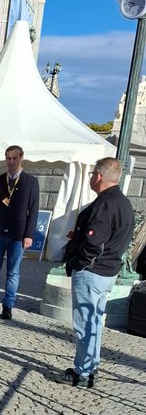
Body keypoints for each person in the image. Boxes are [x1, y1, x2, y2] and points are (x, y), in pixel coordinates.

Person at [62, 157, 135, 388]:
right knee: (94, 322)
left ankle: (82, 373)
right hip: (107, 271)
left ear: (99, 177)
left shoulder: (105, 203)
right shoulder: (123, 202)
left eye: (93, 173)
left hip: (92, 271)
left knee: (85, 323)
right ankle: (90, 367)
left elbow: (95, 243)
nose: (91, 177)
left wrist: (77, 262)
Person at [0, 144, 40, 321]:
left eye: (14, 158)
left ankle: (8, 305)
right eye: (8, 158)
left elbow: (33, 210)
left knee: (13, 272)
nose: (11, 161)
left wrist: (29, 234)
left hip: (18, 233)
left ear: (21, 158)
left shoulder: (31, 181)